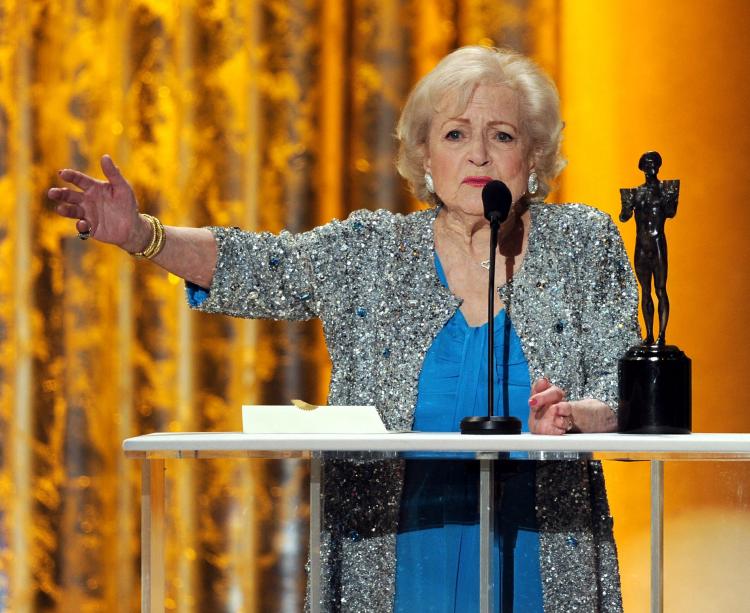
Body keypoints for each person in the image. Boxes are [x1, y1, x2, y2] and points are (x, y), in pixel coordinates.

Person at [49, 46, 639, 612]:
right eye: (455, 134)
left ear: (533, 158)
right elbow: (262, 267)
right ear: (425, 158)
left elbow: (630, 389)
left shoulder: (581, 244)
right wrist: (140, 235)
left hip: (541, 559)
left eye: (502, 136)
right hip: (392, 564)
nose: (478, 155)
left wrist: (582, 417)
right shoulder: (373, 251)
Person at [619, 151, 679, 346]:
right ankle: (650, 334)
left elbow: (671, 212)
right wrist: (627, 206)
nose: (650, 167)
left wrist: (667, 198)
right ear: (642, 167)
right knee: (645, 291)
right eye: (646, 163)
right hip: (642, 245)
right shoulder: (636, 193)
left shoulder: (665, 189)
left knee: (660, 289)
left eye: (653, 163)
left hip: (658, 242)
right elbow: (624, 217)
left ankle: (662, 334)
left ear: (658, 166)